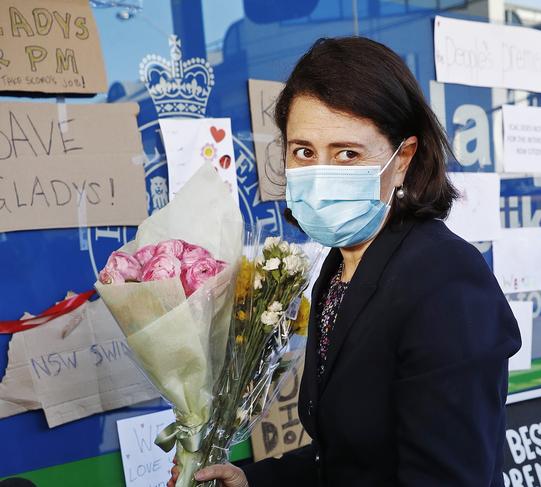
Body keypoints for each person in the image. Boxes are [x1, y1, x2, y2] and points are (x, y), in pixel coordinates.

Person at [169, 36, 521, 487]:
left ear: (403, 160)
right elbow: (348, 457)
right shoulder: (340, 270)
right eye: (304, 152)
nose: (321, 172)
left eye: (347, 153)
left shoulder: (447, 282)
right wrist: (251, 482)